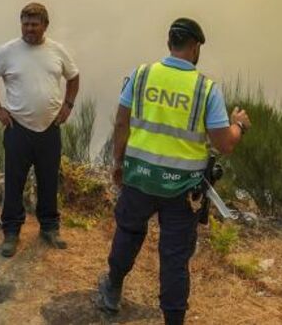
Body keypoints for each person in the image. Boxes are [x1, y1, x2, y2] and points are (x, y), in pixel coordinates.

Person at [97, 18, 251, 325]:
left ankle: (112, 290)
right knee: (175, 256)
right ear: (195, 48)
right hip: (182, 189)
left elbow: (121, 124)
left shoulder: (140, 76)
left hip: (140, 177)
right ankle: (173, 319)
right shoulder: (207, 90)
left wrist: (118, 163)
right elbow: (224, 144)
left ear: (169, 43)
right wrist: (239, 125)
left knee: (128, 233)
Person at [0, 2, 80, 257]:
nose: (29, 29)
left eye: (35, 24)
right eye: (25, 23)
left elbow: (74, 76)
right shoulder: (8, 51)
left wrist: (68, 106)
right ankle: (11, 233)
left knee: (48, 180)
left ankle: (49, 228)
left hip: (50, 129)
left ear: (45, 25)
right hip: (18, 129)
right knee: (14, 182)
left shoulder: (57, 51)